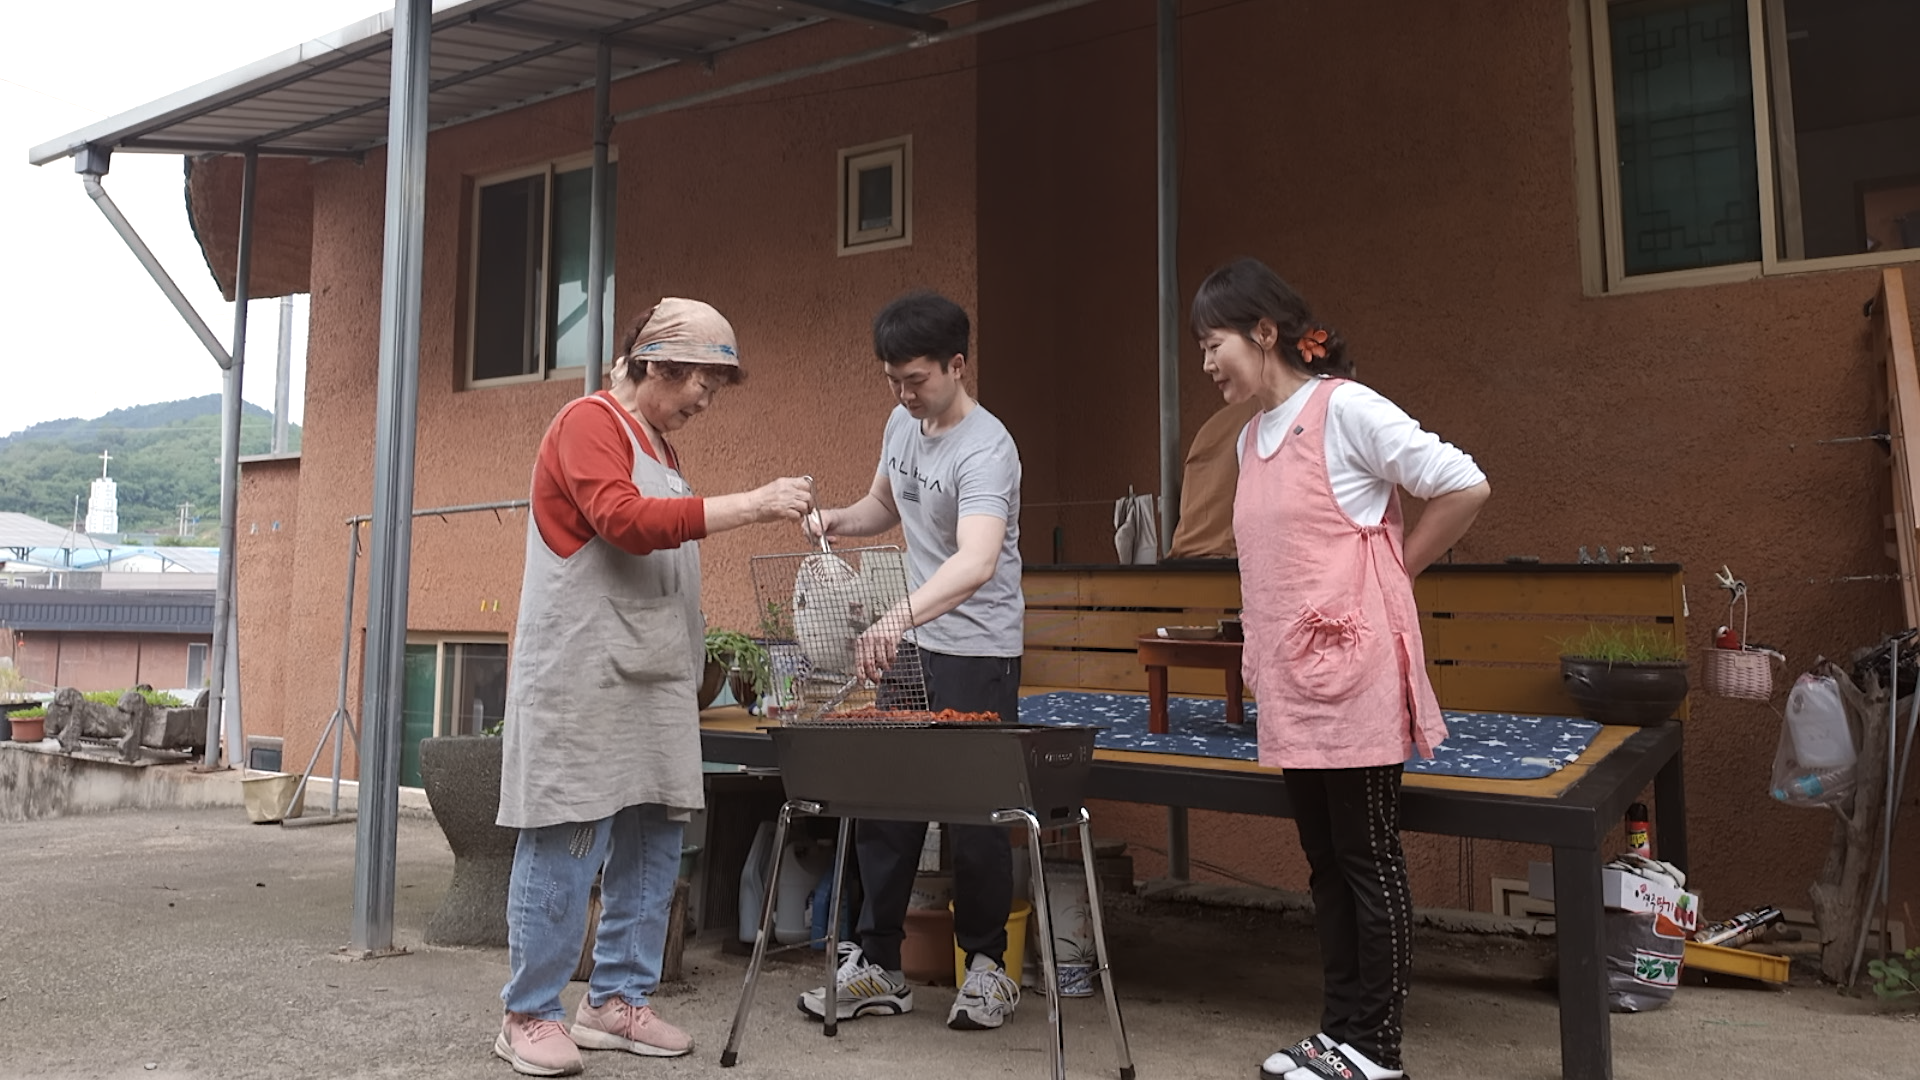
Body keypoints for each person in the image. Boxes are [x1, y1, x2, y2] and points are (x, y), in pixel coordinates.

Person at [493, 298, 815, 1077]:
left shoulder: (661, 448)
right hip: (583, 672)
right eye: (700, 380)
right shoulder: (588, 424)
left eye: (715, 385)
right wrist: (756, 503)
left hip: (654, 674)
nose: (706, 399)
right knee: (568, 834)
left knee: (654, 835)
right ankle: (527, 1013)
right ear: (655, 365)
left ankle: (616, 1001)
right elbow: (624, 520)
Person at [1191, 259, 1490, 1080]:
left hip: (1353, 674)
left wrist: (1398, 570)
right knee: (1326, 861)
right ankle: (1339, 1034)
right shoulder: (1253, 436)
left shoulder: (1346, 408)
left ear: (1262, 332)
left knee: (1366, 855)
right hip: (1293, 679)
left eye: (1212, 343)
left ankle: (1378, 1049)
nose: (1206, 362)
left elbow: (1463, 484)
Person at [797, 290, 1026, 1031]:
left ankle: (988, 969)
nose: (903, 393)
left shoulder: (987, 448)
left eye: (917, 378)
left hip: (975, 650)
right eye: (892, 379)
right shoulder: (903, 421)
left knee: (977, 815)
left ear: (957, 365)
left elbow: (979, 560)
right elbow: (881, 507)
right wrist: (838, 519)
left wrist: (896, 615)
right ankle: (880, 967)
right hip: (911, 644)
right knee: (884, 804)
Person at [1166, 396, 1262, 559]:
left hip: (1199, 561)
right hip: (1244, 559)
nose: (1209, 368)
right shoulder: (1278, 416)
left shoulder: (1216, 428)